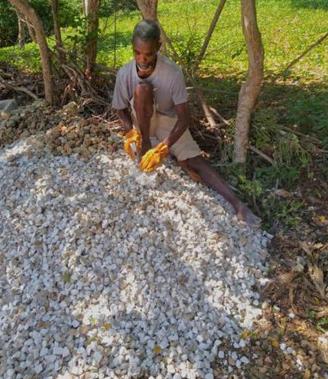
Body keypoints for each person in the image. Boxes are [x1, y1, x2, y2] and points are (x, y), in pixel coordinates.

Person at [112, 19, 259, 225]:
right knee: (142, 89)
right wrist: (130, 132)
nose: (142, 59)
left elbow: (184, 118)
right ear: (132, 48)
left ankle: (238, 205)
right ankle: (145, 145)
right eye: (137, 53)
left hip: (169, 121)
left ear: (158, 48)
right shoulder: (125, 74)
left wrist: (165, 147)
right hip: (142, 120)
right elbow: (119, 109)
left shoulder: (172, 73)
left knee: (195, 163)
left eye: (148, 54)